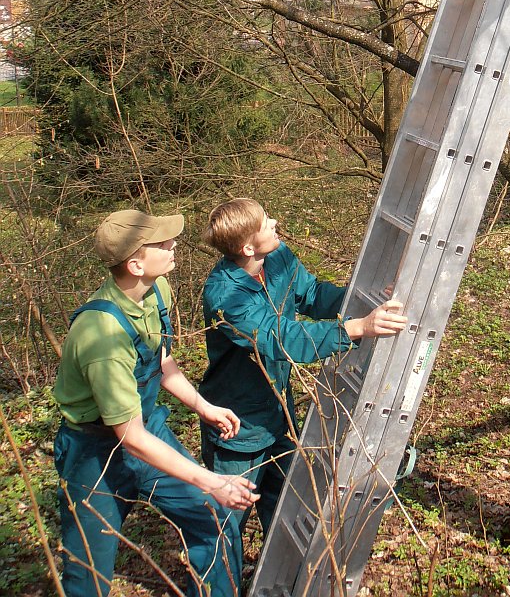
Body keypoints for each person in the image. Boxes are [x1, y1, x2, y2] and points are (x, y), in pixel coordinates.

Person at [52, 209, 258, 597]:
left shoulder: (156, 290)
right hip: (95, 456)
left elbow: (160, 361)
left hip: (147, 428)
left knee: (212, 519)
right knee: (88, 576)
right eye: (162, 244)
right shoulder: (102, 335)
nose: (173, 244)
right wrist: (213, 481)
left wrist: (204, 407)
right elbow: (129, 438)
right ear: (135, 264)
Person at [198, 197, 407, 536]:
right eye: (265, 222)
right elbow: (282, 338)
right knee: (225, 527)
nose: (274, 222)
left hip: (278, 413)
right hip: (238, 425)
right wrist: (356, 328)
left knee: (284, 509)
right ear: (248, 247)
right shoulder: (225, 296)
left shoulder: (276, 257)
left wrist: (368, 302)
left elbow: (311, 294)